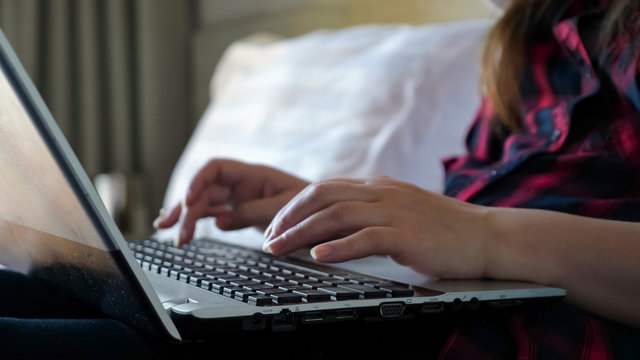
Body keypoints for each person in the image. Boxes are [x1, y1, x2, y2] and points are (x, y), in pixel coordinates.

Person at [154, 0, 640, 357]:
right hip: (426, 322)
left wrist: (484, 235)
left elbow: (481, 232)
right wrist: (349, 217)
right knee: (110, 295)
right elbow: (468, 234)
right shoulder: (527, 47)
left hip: (489, 342)